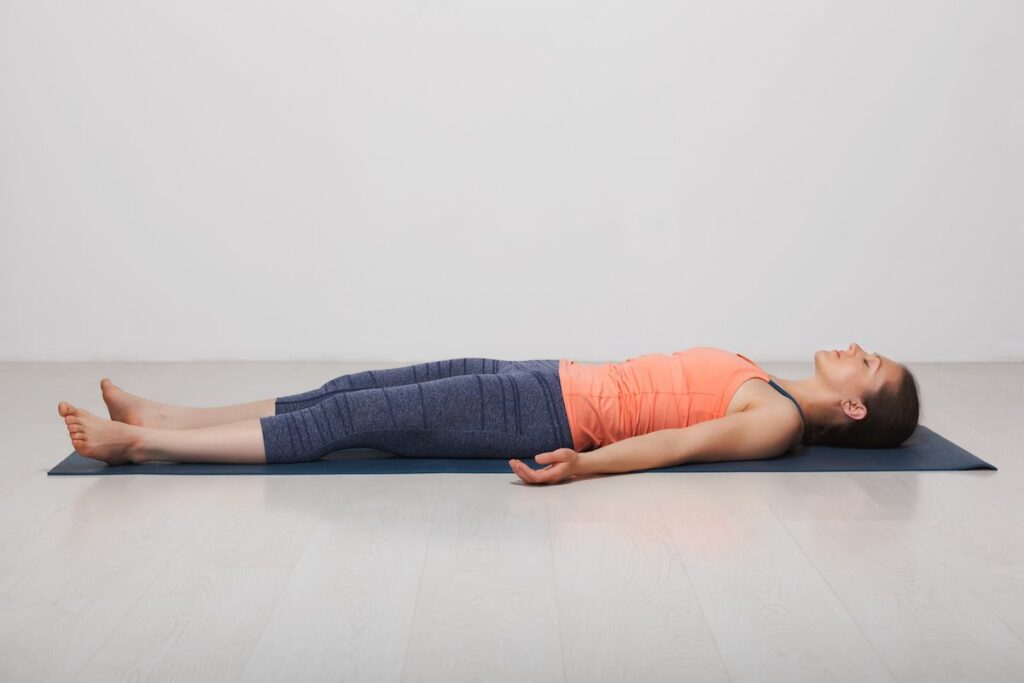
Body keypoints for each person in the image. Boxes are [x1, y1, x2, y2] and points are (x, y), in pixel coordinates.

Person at [57, 343, 919, 485]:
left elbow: (677, 444)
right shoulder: (764, 379)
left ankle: (142, 443)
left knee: (348, 424)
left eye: (869, 361)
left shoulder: (771, 418)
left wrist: (582, 466)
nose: (854, 345)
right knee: (351, 389)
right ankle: (174, 411)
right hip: (543, 374)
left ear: (851, 403)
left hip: (541, 411)